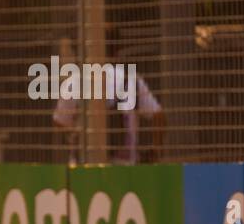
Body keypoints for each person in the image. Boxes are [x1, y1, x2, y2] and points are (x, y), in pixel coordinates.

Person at [50, 36, 165, 164]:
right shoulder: (130, 79)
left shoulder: (75, 81)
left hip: (85, 165)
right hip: (124, 168)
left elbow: (59, 121)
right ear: (116, 51)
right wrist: (156, 150)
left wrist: (77, 132)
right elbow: (159, 116)